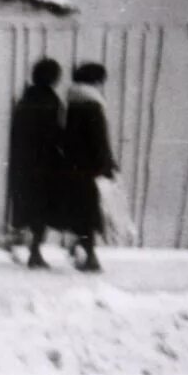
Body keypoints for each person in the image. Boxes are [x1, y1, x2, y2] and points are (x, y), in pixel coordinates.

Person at [7, 58, 66, 269]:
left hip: (24, 164)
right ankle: (35, 252)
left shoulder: (26, 99)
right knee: (43, 209)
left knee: (30, 208)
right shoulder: (51, 100)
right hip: (46, 164)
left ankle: (35, 250)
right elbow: (56, 133)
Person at [64, 62, 119, 273]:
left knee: (84, 212)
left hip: (75, 166)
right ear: (96, 80)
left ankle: (84, 250)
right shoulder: (93, 104)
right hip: (90, 168)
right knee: (91, 213)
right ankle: (90, 257)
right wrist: (106, 165)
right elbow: (99, 140)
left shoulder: (73, 102)